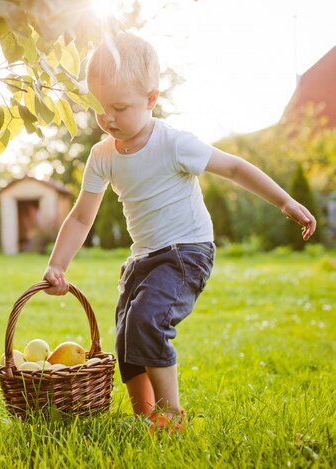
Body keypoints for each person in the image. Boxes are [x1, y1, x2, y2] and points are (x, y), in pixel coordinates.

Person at [42, 32, 316, 432]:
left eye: (119, 107)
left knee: (147, 321)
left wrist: (285, 201)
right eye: (99, 108)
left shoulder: (173, 143)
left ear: (151, 99)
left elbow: (235, 167)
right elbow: (82, 217)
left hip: (186, 252)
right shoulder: (102, 156)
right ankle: (144, 416)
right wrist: (57, 265)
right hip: (143, 256)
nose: (108, 119)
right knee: (125, 334)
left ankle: (171, 415)